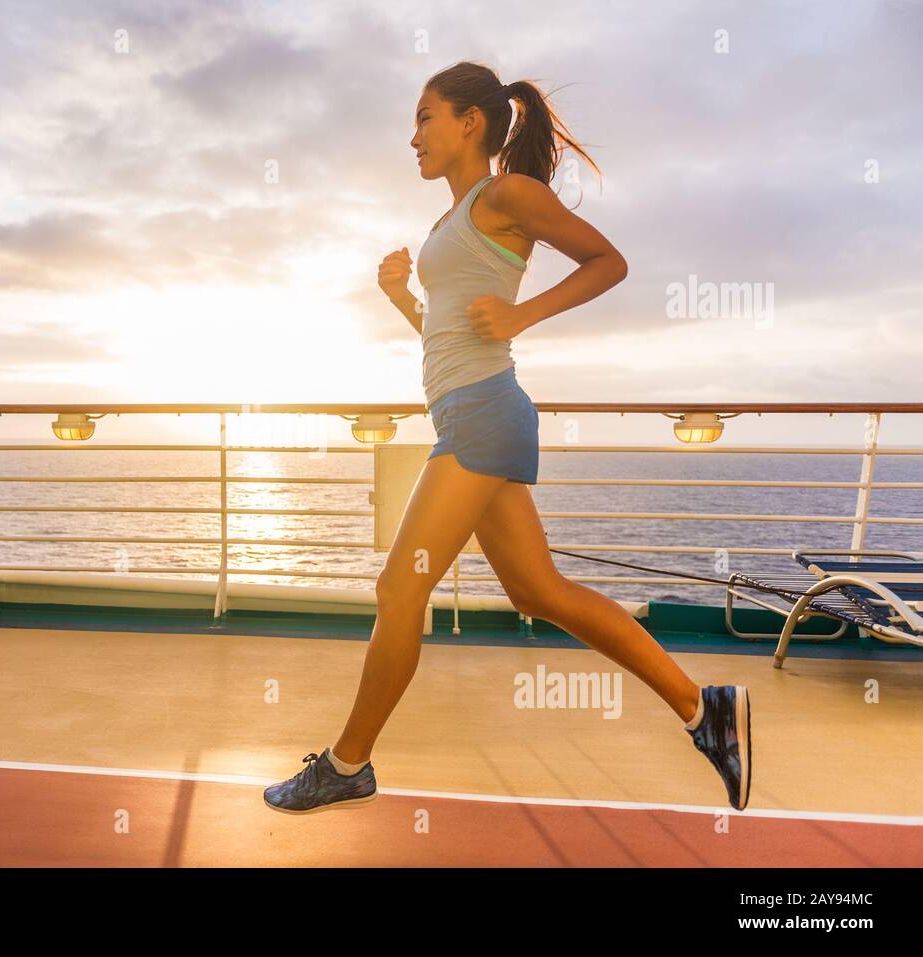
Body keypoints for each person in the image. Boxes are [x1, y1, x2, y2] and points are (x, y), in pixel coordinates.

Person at [264, 60, 751, 816]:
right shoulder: (448, 221)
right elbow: (449, 338)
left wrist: (525, 316)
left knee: (400, 586)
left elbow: (609, 262)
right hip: (466, 411)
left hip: (484, 415)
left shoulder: (508, 195)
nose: (413, 136)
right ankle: (704, 707)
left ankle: (346, 763)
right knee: (539, 590)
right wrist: (402, 299)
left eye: (425, 117)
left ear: (471, 122)